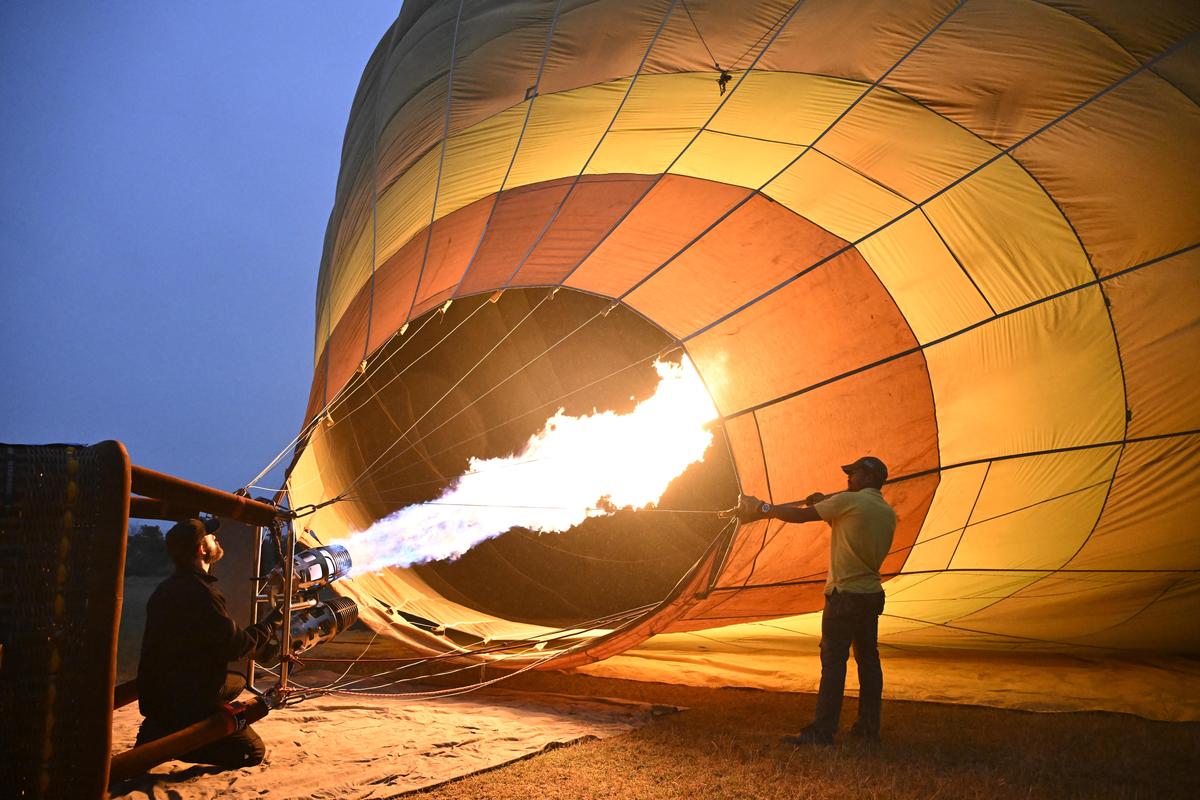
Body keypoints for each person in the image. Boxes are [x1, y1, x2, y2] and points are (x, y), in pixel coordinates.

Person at [737, 456, 896, 745]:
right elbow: (850, 530)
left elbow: (800, 516)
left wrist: (763, 508)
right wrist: (824, 504)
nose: (849, 477)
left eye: (854, 473)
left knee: (833, 663)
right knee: (868, 662)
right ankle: (868, 726)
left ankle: (822, 731)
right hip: (871, 595)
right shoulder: (886, 512)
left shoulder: (849, 501)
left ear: (870, 477)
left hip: (844, 595)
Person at [135, 517, 280, 768]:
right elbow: (236, 646)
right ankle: (171, 740)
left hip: (159, 696)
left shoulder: (165, 589)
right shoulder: (202, 593)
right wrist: (272, 623)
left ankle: (166, 725)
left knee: (237, 682)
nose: (216, 538)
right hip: (186, 697)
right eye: (211, 537)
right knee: (252, 751)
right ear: (202, 549)